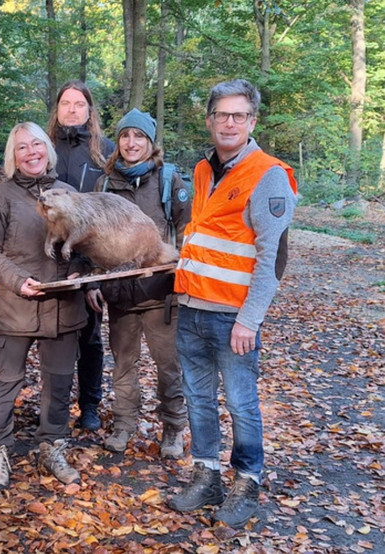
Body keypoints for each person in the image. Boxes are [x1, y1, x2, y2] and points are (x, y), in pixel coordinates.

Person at [167, 79, 297, 528]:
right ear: (209, 120)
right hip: (191, 310)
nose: (229, 122)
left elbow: (271, 260)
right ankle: (207, 475)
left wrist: (250, 320)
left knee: (241, 403)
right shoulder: (203, 170)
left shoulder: (268, 174)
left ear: (252, 121)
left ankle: (247, 480)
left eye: (238, 115)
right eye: (221, 114)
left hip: (233, 319)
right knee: (198, 399)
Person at [0, 122, 88, 490]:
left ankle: (51, 446)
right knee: (4, 382)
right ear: (13, 156)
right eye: (22, 147)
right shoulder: (1, 197)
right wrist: (16, 278)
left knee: (58, 382)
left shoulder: (70, 193)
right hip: (13, 308)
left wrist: (80, 272)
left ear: (48, 150)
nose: (31, 152)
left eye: (37, 144)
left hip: (63, 309)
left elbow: (89, 245)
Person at [85, 109, 190, 458]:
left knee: (168, 367)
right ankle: (123, 425)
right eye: (126, 136)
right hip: (120, 295)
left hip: (162, 295)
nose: (132, 143)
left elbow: (189, 234)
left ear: (150, 142)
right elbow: (89, 238)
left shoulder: (169, 181)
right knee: (123, 365)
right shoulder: (104, 183)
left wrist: (181, 273)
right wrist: (93, 283)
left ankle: (173, 428)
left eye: (139, 137)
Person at [46, 80, 115, 432]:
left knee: (89, 336)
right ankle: (52, 408)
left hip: (90, 260)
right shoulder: (43, 148)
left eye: (79, 104)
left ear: (89, 110)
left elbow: (113, 212)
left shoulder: (104, 151)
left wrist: (94, 269)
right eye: (66, 103)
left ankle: (89, 405)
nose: (72, 109)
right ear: (56, 109)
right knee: (50, 335)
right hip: (48, 259)